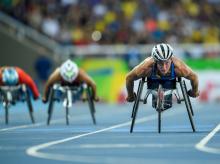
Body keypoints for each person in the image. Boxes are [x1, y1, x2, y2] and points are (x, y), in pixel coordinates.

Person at [126, 43, 199, 109]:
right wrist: (130, 95)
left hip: (171, 82)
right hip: (152, 81)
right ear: (155, 61)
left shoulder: (180, 69)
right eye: (160, 63)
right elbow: (129, 78)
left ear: (171, 60)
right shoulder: (144, 68)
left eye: (167, 63)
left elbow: (194, 77)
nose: (164, 67)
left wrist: (194, 91)